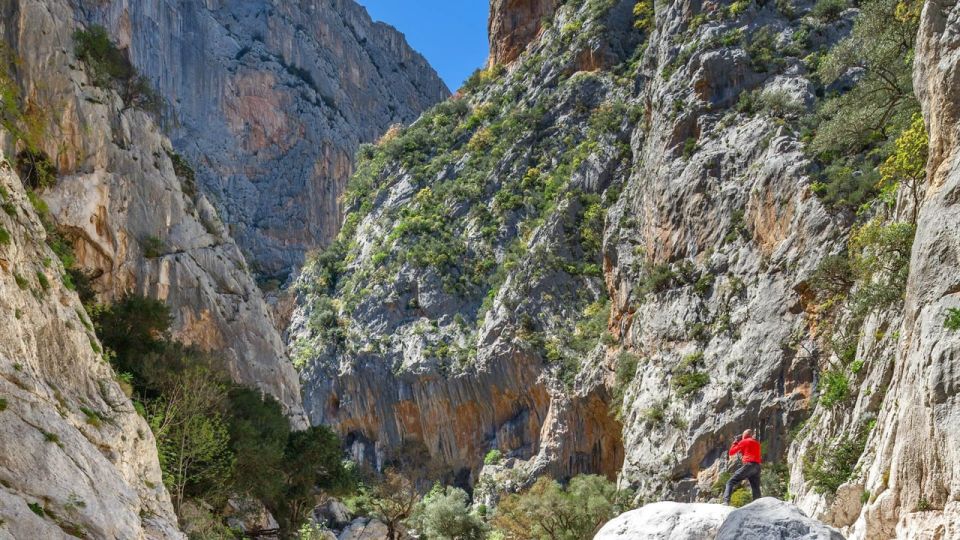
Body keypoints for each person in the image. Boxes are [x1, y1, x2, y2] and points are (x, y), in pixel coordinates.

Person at [723, 429, 762, 505]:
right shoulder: (757, 443)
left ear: (745, 435)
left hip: (749, 465)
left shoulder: (744, 441)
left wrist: (735, 442)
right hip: (757, 466)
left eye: (743, 435)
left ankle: (726, 501)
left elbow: (731, 452)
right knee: (755, 487)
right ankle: (758, 504)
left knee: (730, 482)